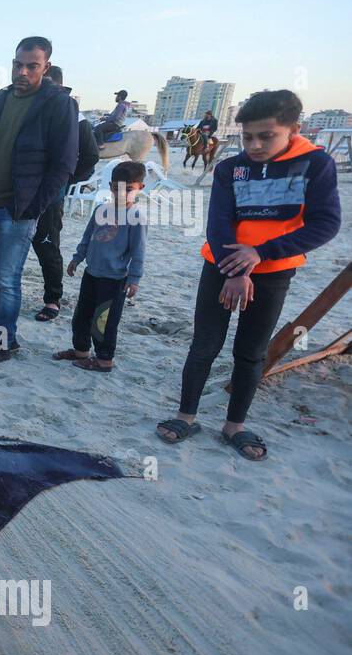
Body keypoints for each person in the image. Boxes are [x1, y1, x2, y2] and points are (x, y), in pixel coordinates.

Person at [156, 89, 341, 461]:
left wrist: (260, 254)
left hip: (272, 271)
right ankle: (186, 415)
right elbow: (219, 222)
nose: (254, 145)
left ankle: (234, 425)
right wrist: (233, 268)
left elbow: (326, 223)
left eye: (266, 135)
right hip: (220, 266)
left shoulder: (315, 164)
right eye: (247, 137)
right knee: (205, 343)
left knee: (251, 351)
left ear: (294, 128)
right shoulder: (229, 168)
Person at [0, 36, 78, 367]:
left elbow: (64, 163)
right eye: (18, 64)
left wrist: (34, 206)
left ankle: (3, 343)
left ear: (46, 67)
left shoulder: (57, 104)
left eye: (32, 66)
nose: (23, 71)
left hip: (18, 212)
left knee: (7, 281)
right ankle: (0, 337)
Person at [51, 161, 146, 372]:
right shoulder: (101, 210)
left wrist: (134, 279)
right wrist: (77, 258)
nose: (121, 193)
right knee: (81, 316)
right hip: (91, 273)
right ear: (110, 186)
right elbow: (88, 237)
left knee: (104, 321)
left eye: (128, 189)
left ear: (140, 187)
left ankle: (104, 359)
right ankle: (81, 351)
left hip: (114, 280)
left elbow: (138, 252)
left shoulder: (136, 218)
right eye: (116, 188)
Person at [28, 65, 100, 322]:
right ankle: (2, 298)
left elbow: (91, 156)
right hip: (20, 192)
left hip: (50, 195)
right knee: (12, 248)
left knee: (47, 246)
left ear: (57, 85)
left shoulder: (76, 117)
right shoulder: (28, 109)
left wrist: (65, 180)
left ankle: (52, 299)